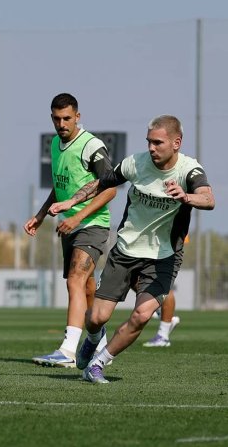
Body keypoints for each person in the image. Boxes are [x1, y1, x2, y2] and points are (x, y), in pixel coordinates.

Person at [50, 115, 214, 384]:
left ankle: (98, 364)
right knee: (97, 318)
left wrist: (186, 196)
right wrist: (72, 201)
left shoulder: (189, 171)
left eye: (158, 143)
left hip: (163, 257)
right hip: (125, 251)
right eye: (149, 142)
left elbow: (208, 198)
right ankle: (93, 338)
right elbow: (101, 182)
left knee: (141, 315)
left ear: (176, 143)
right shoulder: (134, 163)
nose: (151, 148)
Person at [25, 93, 116, 368]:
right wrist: (41, 215)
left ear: (78, 116)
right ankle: (100, 343)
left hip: (92, 224)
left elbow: (110, 188)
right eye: (56, 119)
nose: (61, 124)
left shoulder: (91, 146)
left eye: (67, 118)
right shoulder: (55, 144)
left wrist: (76, 218)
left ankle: (67, 351)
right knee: (86, 287)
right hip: (70, 225)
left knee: (75, 280)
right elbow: (60, 185)